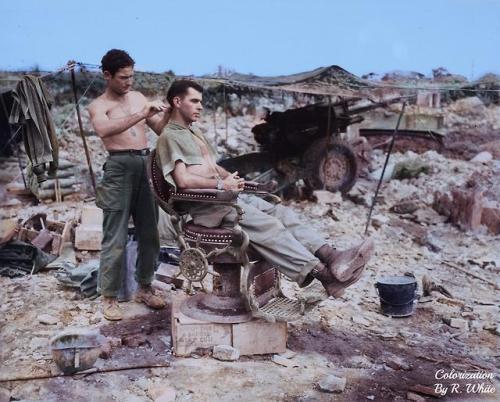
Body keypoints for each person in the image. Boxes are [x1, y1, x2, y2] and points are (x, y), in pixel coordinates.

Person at [156, 79, 375, 298]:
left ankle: (331, 256)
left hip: (223, 197)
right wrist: (222, 184)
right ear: (177, 101)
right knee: (270, 226)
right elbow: (182, 180)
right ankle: (324, 276)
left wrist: (231, 179)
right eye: (194, 101)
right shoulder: (171, 136)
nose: (200, 106)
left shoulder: (191, 132)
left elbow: (212, 167)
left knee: (281, 213)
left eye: (200, 101)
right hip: (206, 207)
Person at [88, 49, 170, 320]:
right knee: (116, 236)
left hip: (145, 163)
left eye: (132, 76)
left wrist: (168, 113)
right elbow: (104, 130)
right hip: (119, 167)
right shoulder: (98, 106)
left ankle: (144, 287)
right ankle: (109, 297)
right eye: (123, 77)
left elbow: (158, 129)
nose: (129, 82)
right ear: (107, 75)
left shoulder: (137, 97)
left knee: (150, 232)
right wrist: (140, 115)